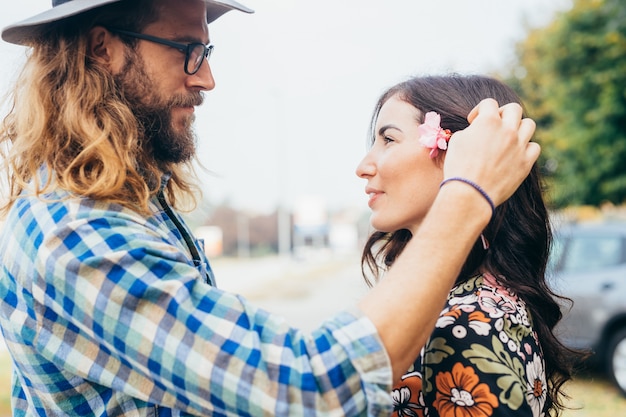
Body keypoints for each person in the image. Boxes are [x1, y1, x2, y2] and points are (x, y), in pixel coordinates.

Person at [0, 1, 540, 415]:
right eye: (188, 49)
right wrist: (467, 196)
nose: (206, 77)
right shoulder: (74, 234)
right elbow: (308, 385)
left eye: (206, 53)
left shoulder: (135, 203)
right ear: (102, 49)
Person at [356, 74, 581, 417]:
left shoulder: (465, 325)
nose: (363, 167)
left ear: (461, 154)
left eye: (388, 139)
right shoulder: (469, 302)